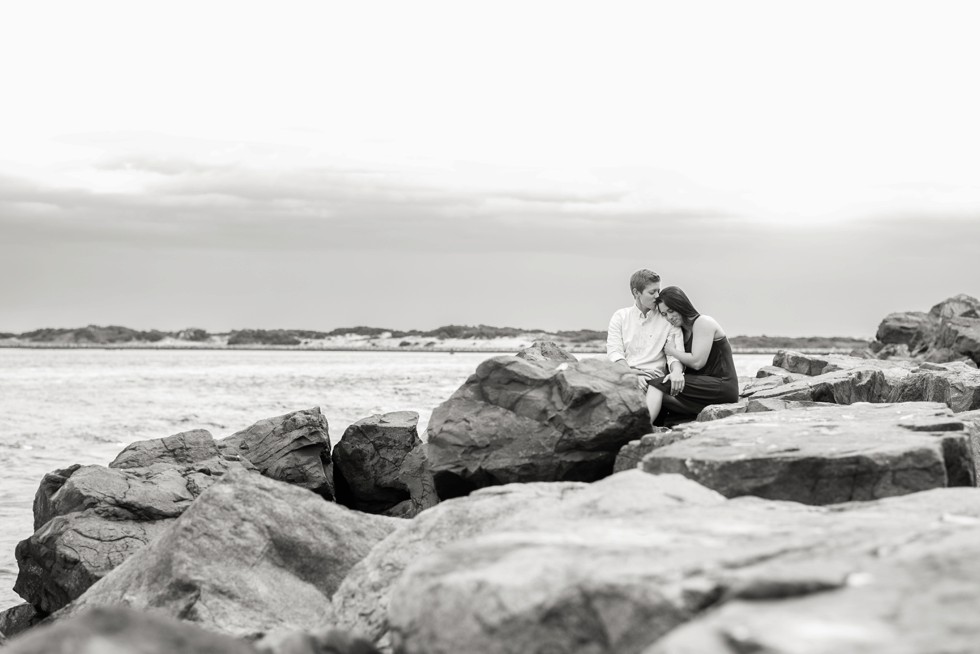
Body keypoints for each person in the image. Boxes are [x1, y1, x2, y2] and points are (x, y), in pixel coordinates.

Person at [648, 286, 739, 425]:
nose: (669, 317)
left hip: (721, 385)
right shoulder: (682, 331)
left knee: (657, 385)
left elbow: (697, 362)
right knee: (663, 397)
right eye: (664, 314)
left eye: (671, 311)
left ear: (680, 304)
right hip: (702, 385)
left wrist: (672, 351)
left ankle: (642, 428)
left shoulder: (703, 322)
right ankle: (654, 430)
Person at [606, 269, 686, 426]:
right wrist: (632, 375)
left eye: (658, 290)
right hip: (627, 374)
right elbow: (615, 353)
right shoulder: (620, 316)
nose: (658, 296)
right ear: (636, 293)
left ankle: (640, 430)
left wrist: (677, 372)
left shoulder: (666, 317)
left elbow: (674, 355)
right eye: (652, 292)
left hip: (654, 380)